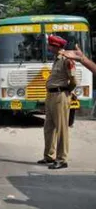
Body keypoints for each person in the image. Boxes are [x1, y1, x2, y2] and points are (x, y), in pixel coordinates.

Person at [37, 35, 77, 170]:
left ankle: (62, 159)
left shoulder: (67, 60)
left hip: (60, 95)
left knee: (61, 129)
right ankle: (49, 156)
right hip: (51, 95)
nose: (48, 48)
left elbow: (73, 80)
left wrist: (67, 92)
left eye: (50, 46)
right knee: (48, 127)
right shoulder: (56, 60)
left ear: (56, 47)